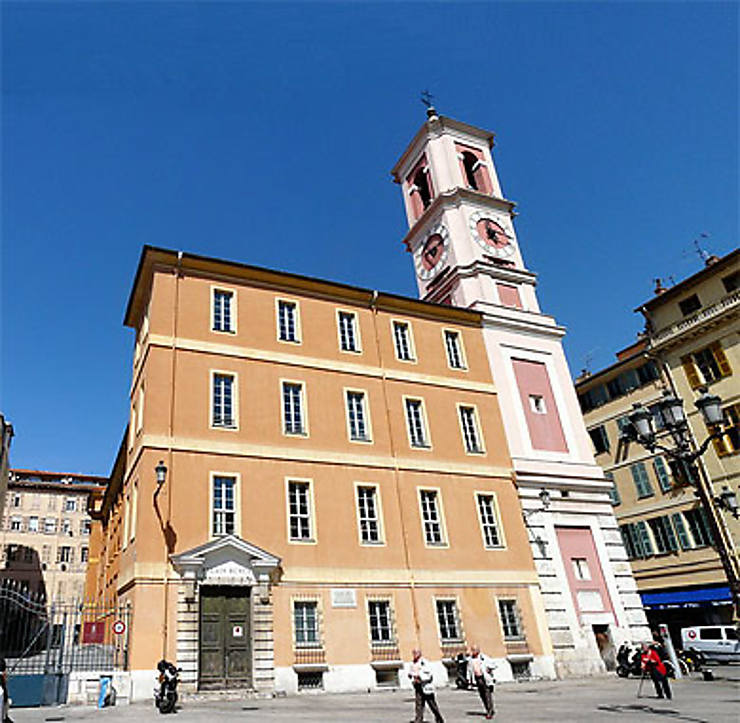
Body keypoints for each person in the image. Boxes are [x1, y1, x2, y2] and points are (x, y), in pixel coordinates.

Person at [407, 648, 444, 723]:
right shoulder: (413, 663)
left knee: (432, 704)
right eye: (413, 653)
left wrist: (420, 677)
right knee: (419, 704)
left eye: (415, 653)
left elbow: (429, 675)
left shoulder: (425, 662)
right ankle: (418, 719)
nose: (414, 655)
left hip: (426, 686)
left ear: (420, 654)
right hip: (417, 686)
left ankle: (439, 718)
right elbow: (411, 672)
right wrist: (411, 675)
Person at [468, 645, 496, 719]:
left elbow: (494, 664)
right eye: (472, 650)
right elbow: (469, 670)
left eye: (474, 650)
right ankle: (488, 709)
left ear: (478, 650)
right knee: (482, 696)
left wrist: (489, 669)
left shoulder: (484, 658)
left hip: (484, 678)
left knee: (487, 695)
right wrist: (469, 680)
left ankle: (489, 711)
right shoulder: (471, 659)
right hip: (477, 679)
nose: (473, 652)